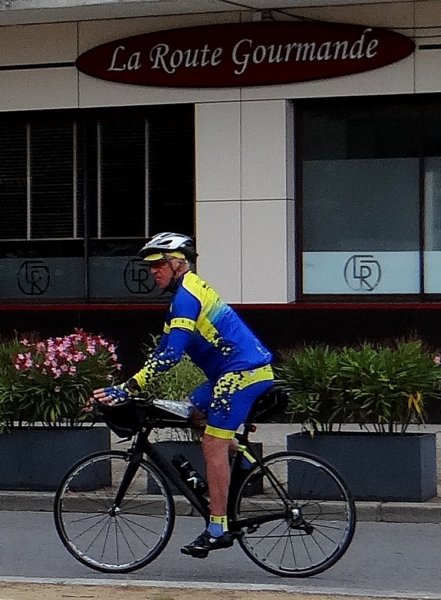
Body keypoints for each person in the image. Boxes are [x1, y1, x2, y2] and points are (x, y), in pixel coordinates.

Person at [92, 232, 274, 557]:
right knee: (189, 410)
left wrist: (127, 388)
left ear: (178, 263)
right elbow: (162, 351)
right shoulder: (182, 296)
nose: (153, 272)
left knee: (212, 444)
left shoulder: (187, 297)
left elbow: (171, 357)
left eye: (158, 265)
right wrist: (131, 386)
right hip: (229, 375)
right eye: (150, 266)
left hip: (242, 374)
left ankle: (218, 528)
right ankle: (244, 458)